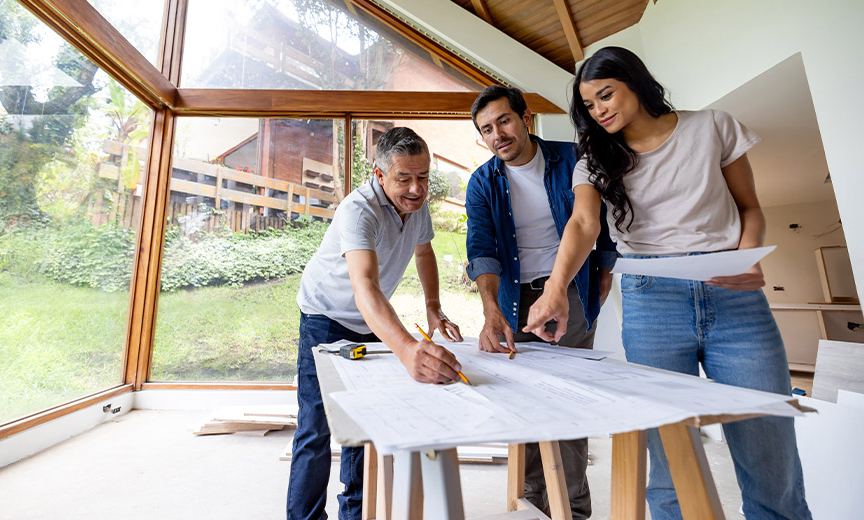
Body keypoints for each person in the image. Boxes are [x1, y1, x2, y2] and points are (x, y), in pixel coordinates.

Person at [525, 46, 812, 520]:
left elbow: (750, 208)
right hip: (650, 298)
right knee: (669, 455)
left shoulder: (713, 126)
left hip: (734, 295)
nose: (600, 111)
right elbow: (581, 225)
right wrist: (555, 291)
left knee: (770, 448)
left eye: (606, 95)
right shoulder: (594, 159)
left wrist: (747, 255)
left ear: (634, 82)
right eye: (591, 106)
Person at [287, 127, 464, 520]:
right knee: (317, 428)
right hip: (326, 316)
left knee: (363, 425)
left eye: (423, 177)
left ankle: (355, 514)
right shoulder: (358, 209)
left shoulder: (417, 206)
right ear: (379, 174)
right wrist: (405, 349)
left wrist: (433, 305)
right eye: (404, 178)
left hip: (371, 322)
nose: (417, 189)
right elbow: (364, 285)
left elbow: (424, 252)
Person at [464, 85, 617, 519]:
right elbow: (483, 248)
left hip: (568, 288)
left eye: (504, 121)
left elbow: (599, 227)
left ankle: (570, 510)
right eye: (487, 129)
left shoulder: (573, 158)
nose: (498, 134)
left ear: (525, 118)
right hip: (513, 298)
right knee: (522, 402)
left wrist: (601, 280)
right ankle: (531, 504)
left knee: (568, 402)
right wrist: (490, 311)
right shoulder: (482, 182)